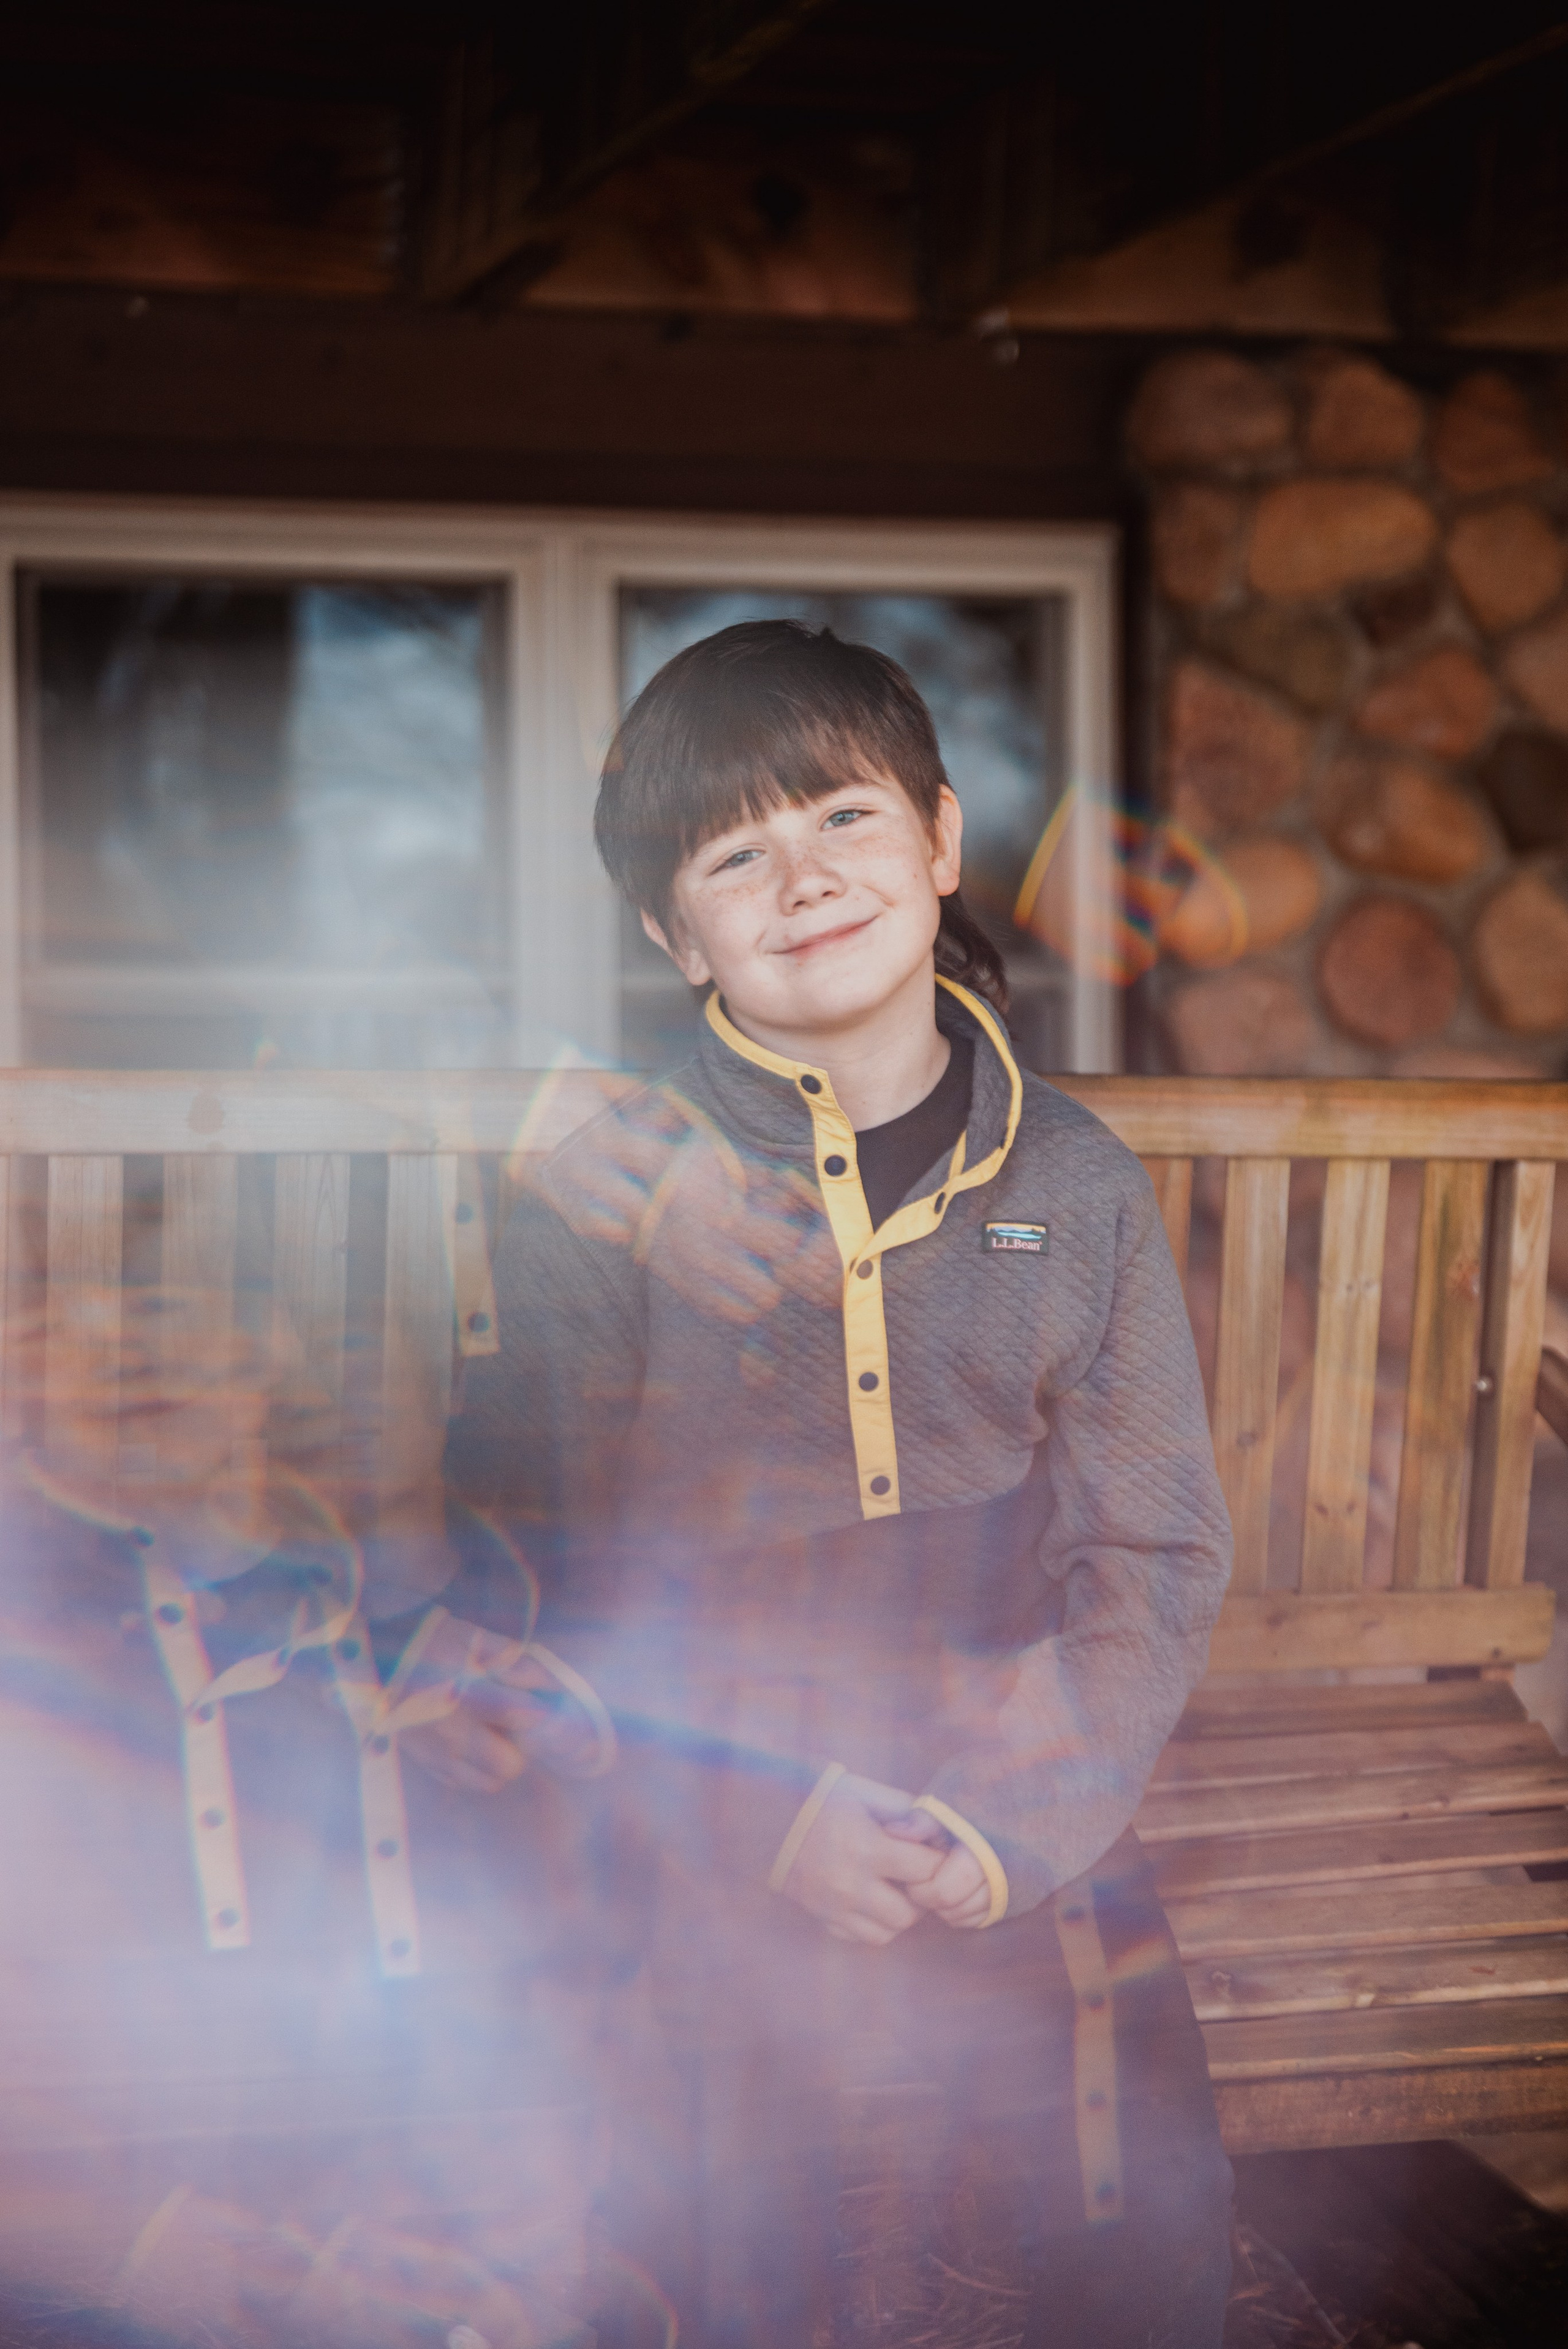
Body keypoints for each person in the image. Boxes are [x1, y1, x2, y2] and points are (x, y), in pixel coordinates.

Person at [441, 620, 1236, 2349]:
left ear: (939, 841)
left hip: (999, 1732)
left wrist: (1012, 1829)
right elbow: (536, 1572)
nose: (801, 878)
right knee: (704, 2142)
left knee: (1130, 2116)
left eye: (843, 818)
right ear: (672, 936)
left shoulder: (1079, 1184)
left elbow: (1154, 1547)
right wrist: (761, 1813)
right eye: (733, 855)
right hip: (706, 1736)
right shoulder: (602, 1196)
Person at [0, 1287, 644, 2349]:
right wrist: (131, 2246)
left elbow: (564, 1985)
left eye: (165, 1304)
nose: (119, 1352)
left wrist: (533, 2221)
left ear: (262, 1354)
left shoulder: (417, 1657)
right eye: (58, 1321)